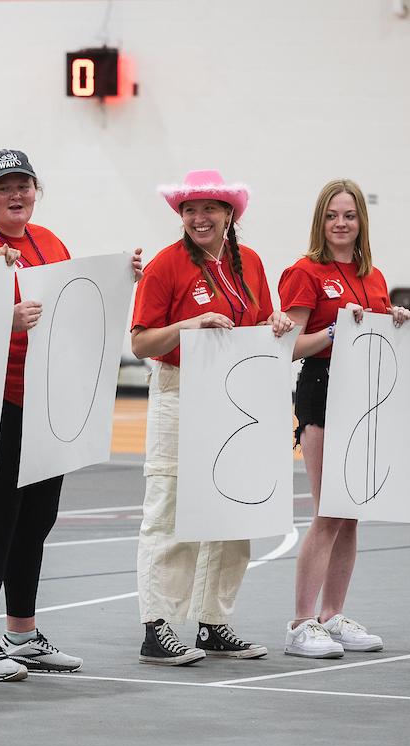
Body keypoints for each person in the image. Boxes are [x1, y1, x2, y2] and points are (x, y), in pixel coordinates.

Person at [0, 149, 143, 680]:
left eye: (24, 184)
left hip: (46, 403)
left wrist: (121, 279)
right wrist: (2, 319)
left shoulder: (49, 243)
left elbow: (74, 305)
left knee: (36, 522)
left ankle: (22, 633)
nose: (16, 194)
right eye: (4, 185)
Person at [130, 169, 293, 666]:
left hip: (236, 395)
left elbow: (258, 323)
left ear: (229, 215)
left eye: (209, 209)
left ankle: (212, 622)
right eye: (190, 210)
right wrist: (189, 324)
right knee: (169, 506)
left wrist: (276, 323)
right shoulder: (165, 266)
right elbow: (140, 343)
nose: (199, 218)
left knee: (232, 509)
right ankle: (158, 627)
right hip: (180, 392)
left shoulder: (252, 264)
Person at [277, 178, 410, 658]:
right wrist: (334, 329)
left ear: (361, 221)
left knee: (351, 513)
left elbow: (372, 336)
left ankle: (332, 615)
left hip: (365, 397)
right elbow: (289, 345)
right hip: (322, 389)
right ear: (321, 220)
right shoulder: (304, 271)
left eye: (349, 215)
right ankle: (300, 623)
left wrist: (392, 319)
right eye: (332, 215)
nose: (341, 223)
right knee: (328, 510)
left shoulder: (372, 275)